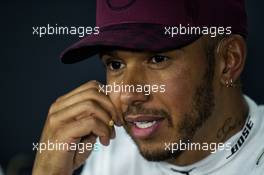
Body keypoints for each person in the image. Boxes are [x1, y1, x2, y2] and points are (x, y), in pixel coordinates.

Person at [33, 0, 264, 174]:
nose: (129, 95)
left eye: (158, 59)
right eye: (115, 64)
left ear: (228, 61)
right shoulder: (109, 146)